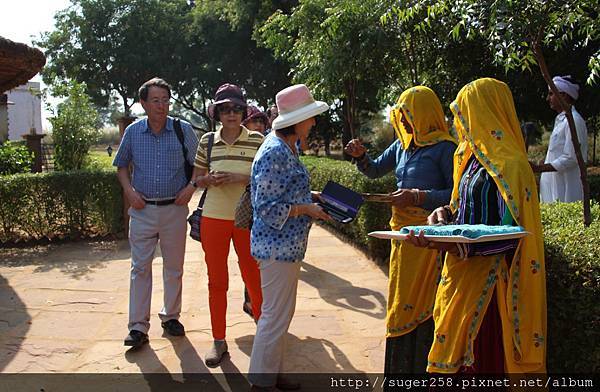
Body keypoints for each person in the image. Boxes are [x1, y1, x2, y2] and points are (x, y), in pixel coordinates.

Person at [407, 78, 546, 374]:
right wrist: (442, 214)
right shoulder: (468, 161)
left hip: (491, 289)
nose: (459, 124)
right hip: (458, 277)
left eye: (465, 114)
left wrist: (447, 243)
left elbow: (514, 235)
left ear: (486, 113)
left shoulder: (512, 167)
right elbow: (460, 208)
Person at [344, 86, 456, 375]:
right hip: (402, 237)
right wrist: (361, 156)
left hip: (428, 239)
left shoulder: (445, 149)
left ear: (423, 115)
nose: (403, 123)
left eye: (408, 116)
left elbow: (456, 195)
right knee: (400, 298)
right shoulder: (404, 146)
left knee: (424, 301)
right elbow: (375, 170)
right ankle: (399, 369)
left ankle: (421, 370)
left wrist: (419, 197)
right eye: (401, 117)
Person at [248, 84, 331, 391]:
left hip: (286, 248)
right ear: (295, 120)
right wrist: (306, 208)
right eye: (310, 117)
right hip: (276, 248)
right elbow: (267, 207)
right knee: (273, 317)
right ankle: (261, 382)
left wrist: (312, 197)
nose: (313, 123)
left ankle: (271, 373)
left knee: (280, 316)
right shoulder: (274, 151)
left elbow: (285, 191)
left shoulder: (286, 147)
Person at [113, 77, 199, 348]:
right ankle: (138, 326)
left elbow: (200, 164)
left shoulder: (182, 129)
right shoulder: (134, 132)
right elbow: (121, 166)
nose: (161, 106)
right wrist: (129, 191)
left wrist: (192, 187)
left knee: (174, 268)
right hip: (142, 210)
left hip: (174, 209)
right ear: (144, 103)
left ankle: (171, 316)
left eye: (165, 100)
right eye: (155, 100)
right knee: (140, 269)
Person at [190, 83, 264, 367]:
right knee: (216, 281)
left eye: (235, 108)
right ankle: (219, 340)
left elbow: (265, 179)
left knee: (253, 278)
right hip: (213, 217)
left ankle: (264, 336)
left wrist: (239, 178)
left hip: (247, 218)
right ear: (217, 113)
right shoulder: (207, 141)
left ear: (243, 111)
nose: (231, 113)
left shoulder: (257, 141)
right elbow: (196, 180)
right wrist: (207, 180)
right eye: (225, 109)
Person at [532, 76, 588, 202]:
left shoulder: (574, 121)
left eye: (551, 94)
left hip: (565, 189)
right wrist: (544, 162)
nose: (548, 98)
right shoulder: (562, 121)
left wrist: (540, 168)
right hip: (553, 187)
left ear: (564, 95)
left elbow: (571, 157)